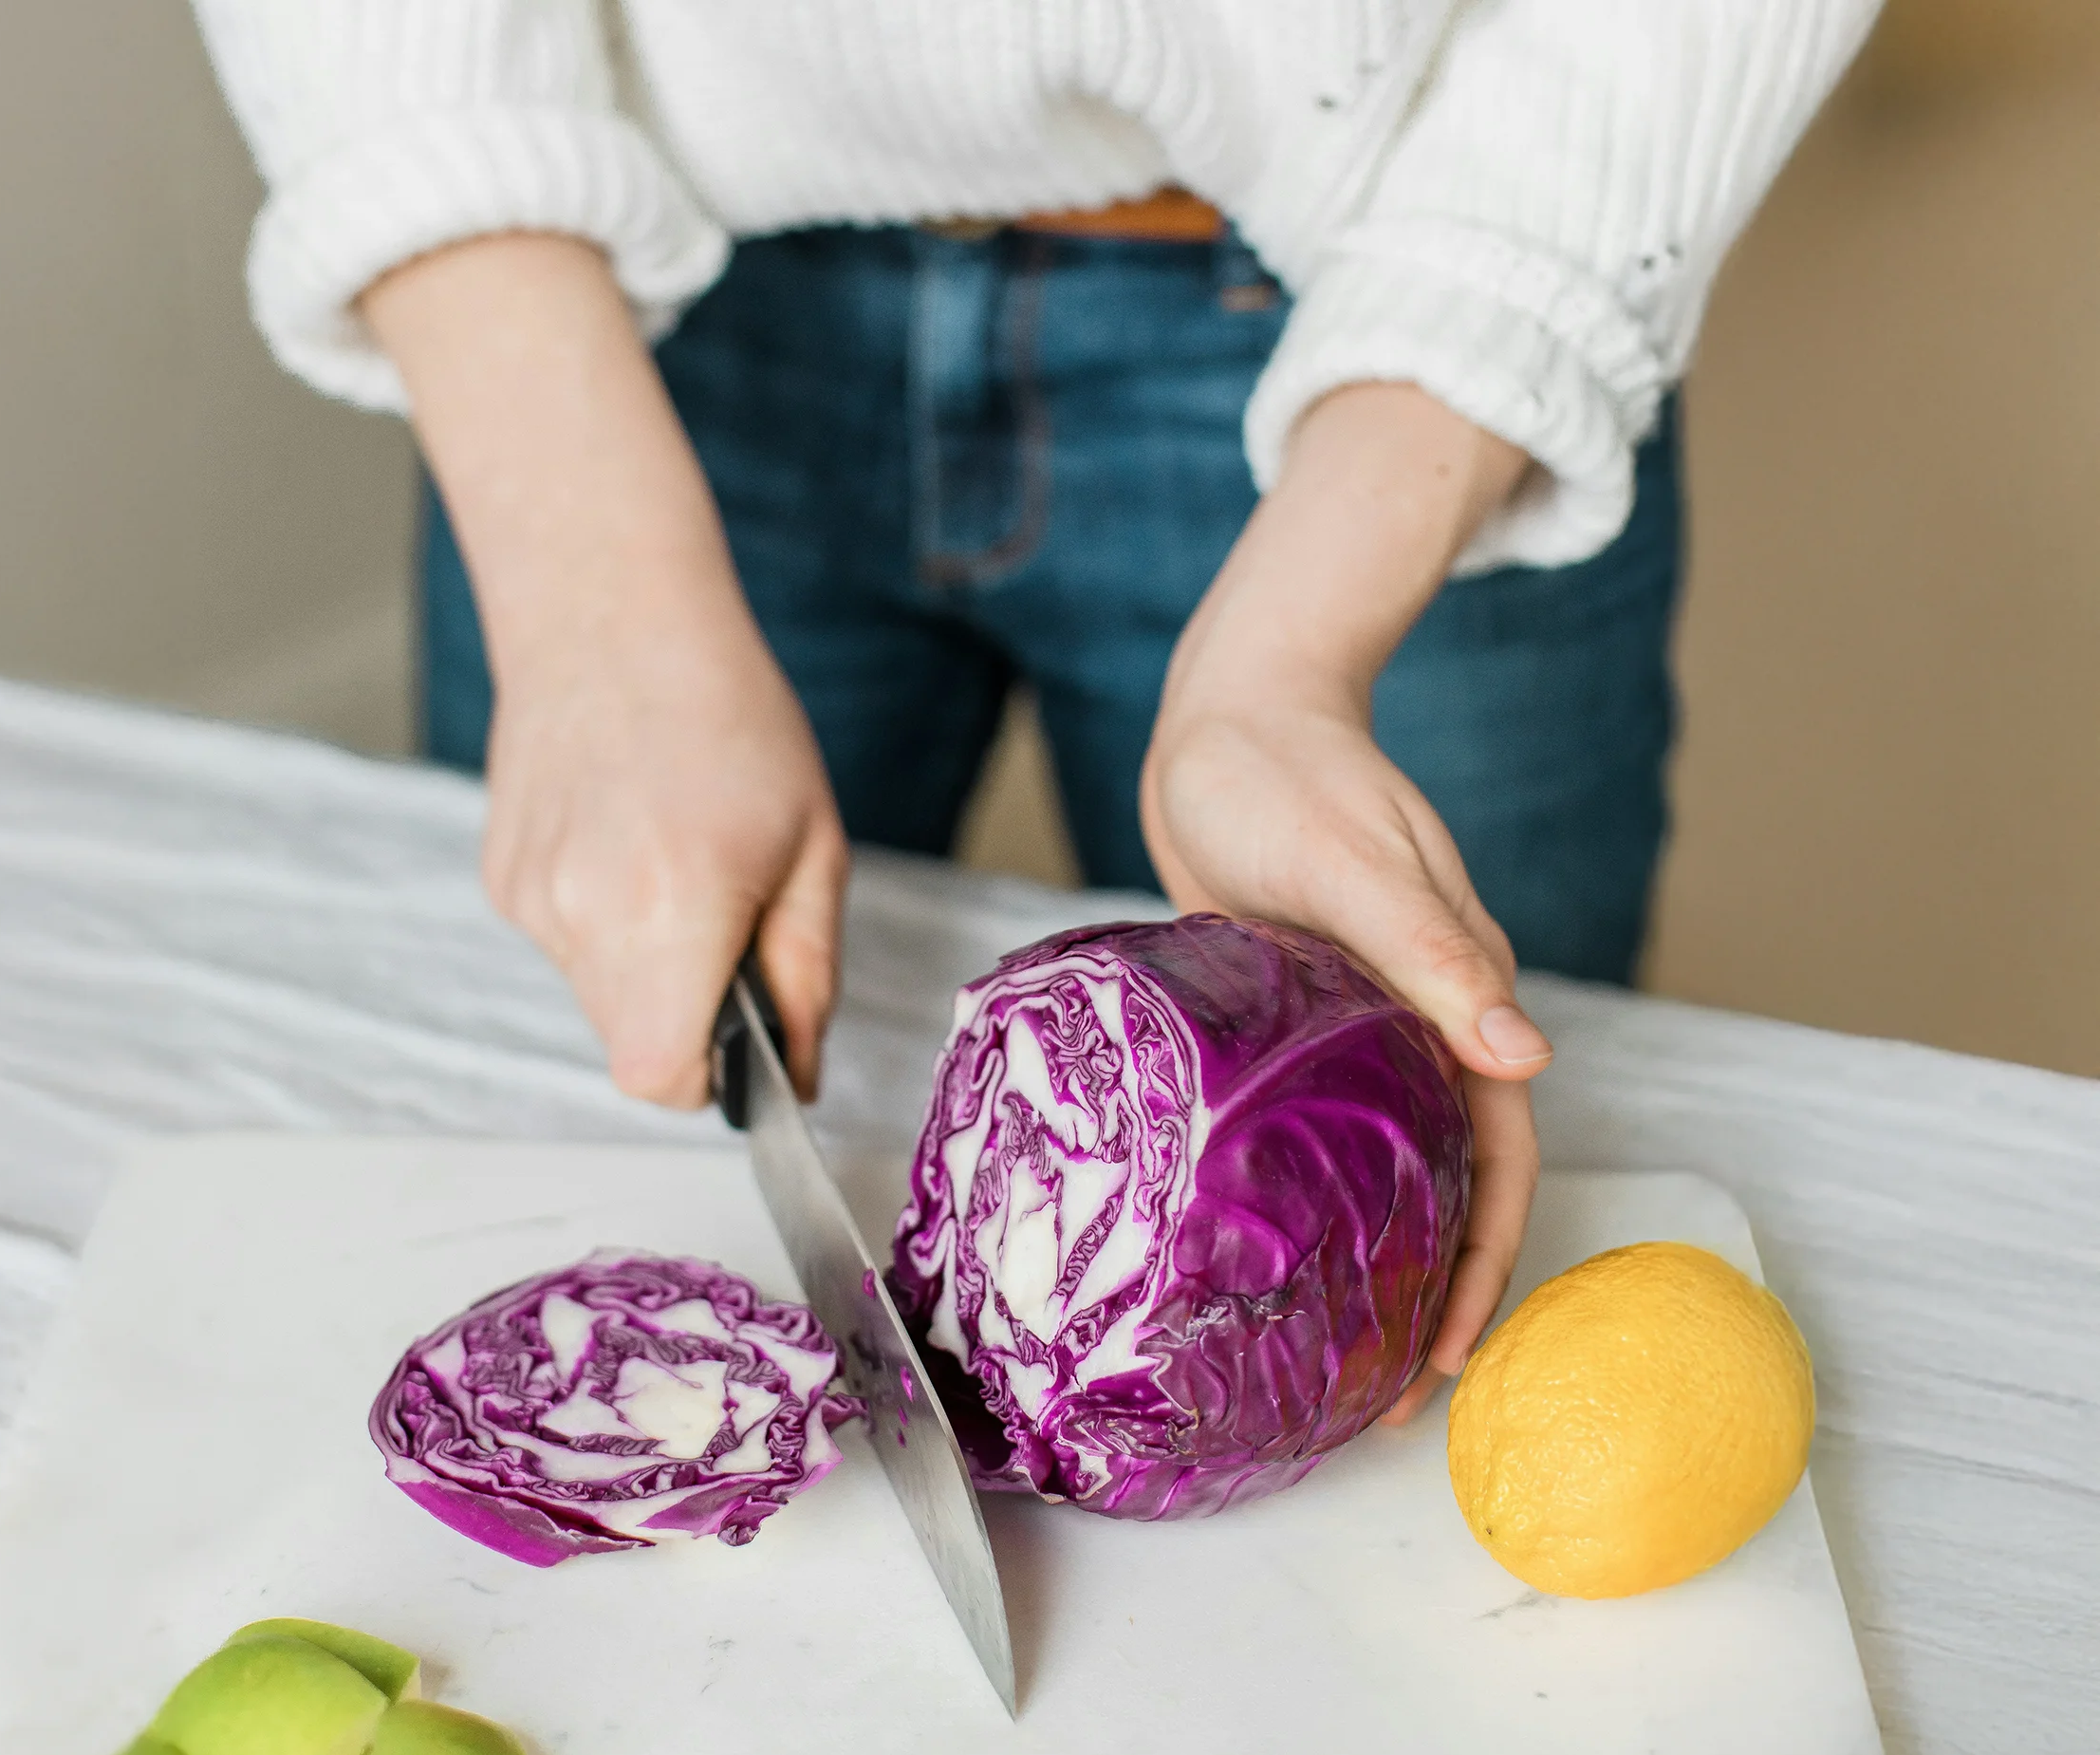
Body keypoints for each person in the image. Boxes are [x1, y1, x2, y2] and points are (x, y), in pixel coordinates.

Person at [194, 0, 1878, 1418]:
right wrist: (588, 602)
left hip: (1415, 297)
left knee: (1449, 1241)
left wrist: (1280, 675)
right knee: (586, 1140)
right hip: (606, 309)